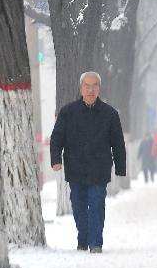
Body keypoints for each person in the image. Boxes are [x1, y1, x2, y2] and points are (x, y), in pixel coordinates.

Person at [50, 71, 126, 253]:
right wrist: (55, 159)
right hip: (75, 167)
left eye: (94, 86)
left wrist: (120, 167)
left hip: (99, 168)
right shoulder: (68, 112)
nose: (91, 90)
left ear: (99, 89)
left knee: (97, 203)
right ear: (81, 88)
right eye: (87, 86)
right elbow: (57, 137)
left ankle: (96, 242)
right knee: (78, 205)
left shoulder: (110, 113)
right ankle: (83, 237)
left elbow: (118, 142)